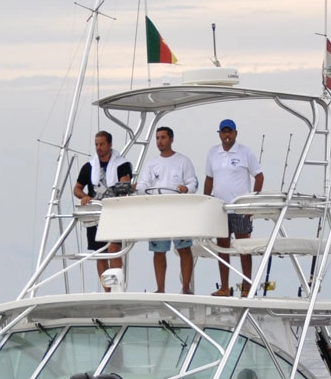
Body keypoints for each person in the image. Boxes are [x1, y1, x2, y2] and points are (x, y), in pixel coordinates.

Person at [204, 119, 264, 296]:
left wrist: (252, 201)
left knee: (244, 248)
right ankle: (224, 287)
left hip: (240, 208)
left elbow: (259, 176)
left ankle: (247, 287)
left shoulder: (245, 152)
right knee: (222, 248)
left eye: (230, 132)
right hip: (220, 208)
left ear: (235, 133)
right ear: (220, 134)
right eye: (224, 132)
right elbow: (209, 178)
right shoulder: (213, 152)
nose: (227, 135)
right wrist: (207, 201)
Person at [137, 126, 198, 293]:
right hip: (158, 211)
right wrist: (138, 188)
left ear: (171, 139)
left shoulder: (183, 161)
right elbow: (143, 184)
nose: (160, 141)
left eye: (163, 137)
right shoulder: (152, 164)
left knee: (184, 248)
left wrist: (186, 189)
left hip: (179, 210)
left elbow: (193, 183)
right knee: (158, 251)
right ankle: (160, 288)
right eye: (157, 138)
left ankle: (186, 287)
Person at [73, 130, 132, 290]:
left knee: (113, 249)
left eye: (102, 144)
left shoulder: (122, 164)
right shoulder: (89, 166)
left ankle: (115, 288)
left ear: (110, 144)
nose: (98, 148)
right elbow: (77, 189)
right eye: (96, 144)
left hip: (114, 212)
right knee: (100, 253)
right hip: (95, 213)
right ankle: (107, 289)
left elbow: (124, 185)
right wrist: (85, 196)